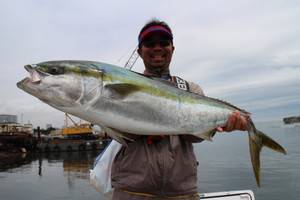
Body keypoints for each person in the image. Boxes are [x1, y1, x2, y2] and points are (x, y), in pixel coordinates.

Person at [111, 19, 248, 200]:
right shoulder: (125, 87)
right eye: (150, 43)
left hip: (182, 191)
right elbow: (121, 132)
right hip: (131, 190)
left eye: (164, 43)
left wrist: (219, 126)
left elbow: (194, 136)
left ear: (172, 49)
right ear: (139, 52)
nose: (157, 48)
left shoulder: (191, 90)